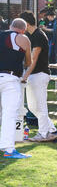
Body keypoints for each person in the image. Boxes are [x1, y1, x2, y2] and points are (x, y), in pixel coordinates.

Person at [19, 11, 57, 142]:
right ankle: (52, 130)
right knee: (32, 107)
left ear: (27, 23)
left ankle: (43, 134)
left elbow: (33, 58)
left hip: (40, 74)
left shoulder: (39, 36)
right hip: (32, 75)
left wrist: (24, 76)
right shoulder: (28, 35)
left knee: (41, 106)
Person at [0, 18, 32, 159]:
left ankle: (5, 146)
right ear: (23, 30)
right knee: (9, 114)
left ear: (10, 26)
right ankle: (9, 148)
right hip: (10, 78)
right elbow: (29, 62)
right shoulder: (23, 38)